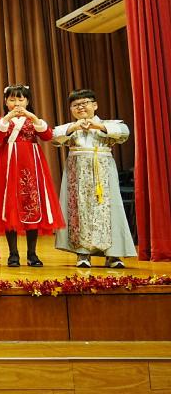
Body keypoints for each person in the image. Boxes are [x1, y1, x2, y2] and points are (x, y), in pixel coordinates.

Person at [53, 89, 136, 268]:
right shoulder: (70, 127)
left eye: (85, 103)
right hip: (77, 173)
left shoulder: (107, 124)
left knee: (109, 209)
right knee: (79, 210)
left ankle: (113, 255)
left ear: (95, 105)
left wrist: (97, 126)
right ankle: (83, 253)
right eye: (76, 105)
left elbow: (124, 132)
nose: (80, 107)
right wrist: (74, 128)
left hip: (103, 172)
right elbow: (53, 137)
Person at [0, 84, 64, 267]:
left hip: (32, 165)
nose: (17, 104)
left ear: (27, 101)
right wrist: (7, 118)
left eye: (20, 99)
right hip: (8, 167)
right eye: (12, 99)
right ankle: (13, 254)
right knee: (10, 207)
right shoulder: (2, 121)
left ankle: (32, 254)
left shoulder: (33, 121)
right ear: (6, 102)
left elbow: (47, 136)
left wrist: (33, 117)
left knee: (32, 205)